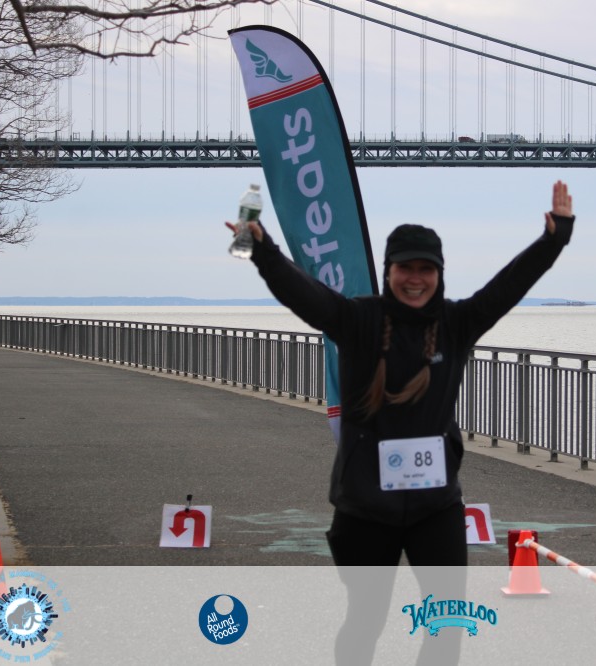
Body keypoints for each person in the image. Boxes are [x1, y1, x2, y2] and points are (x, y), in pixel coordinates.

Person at [226, 180, 574, 664]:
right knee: (365, 622)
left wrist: (554, 239)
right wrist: (264, 251)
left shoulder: (457, 324)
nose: (415, 279)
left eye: (425, 269)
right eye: (405, 268)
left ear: (439, 274)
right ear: (388, 271)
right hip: (365, 511)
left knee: (446, 626)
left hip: (436, 509)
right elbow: (304, 294)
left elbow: (509, 286)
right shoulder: (357, 320)